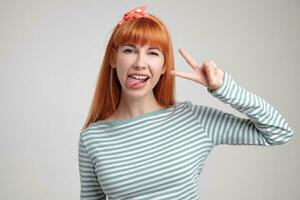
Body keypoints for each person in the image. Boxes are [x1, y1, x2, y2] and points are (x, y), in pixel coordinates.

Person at [78, 6, 294, 200]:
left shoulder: (193, 119)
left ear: (164, 66)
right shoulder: (92, 138)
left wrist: (224, 88)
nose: (140, 63)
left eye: (152, 53)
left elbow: (279, 132)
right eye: (129, 50)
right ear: (113, 59)